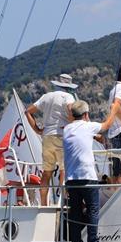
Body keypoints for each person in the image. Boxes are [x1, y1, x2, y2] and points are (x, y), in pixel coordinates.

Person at [62, 99, 121, 242]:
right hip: (87, 176)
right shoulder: (89, 126)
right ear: (86, 114)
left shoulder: (67, 129)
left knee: (74, 211)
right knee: (93, 210)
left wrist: (95, 136)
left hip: (71, 179)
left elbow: (80, 137)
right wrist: (114, 109)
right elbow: (106, 125)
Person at [25, 74, 78, 206]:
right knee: (64, 170)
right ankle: (63, 201)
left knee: (46, 173)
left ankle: (43, 204)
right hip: (61, 135)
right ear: (68, 87)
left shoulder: (47, 96)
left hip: (47, 136)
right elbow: (72, 110)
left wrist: (37, 129)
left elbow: (28, 111)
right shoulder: (68, 97)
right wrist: (71, 124)